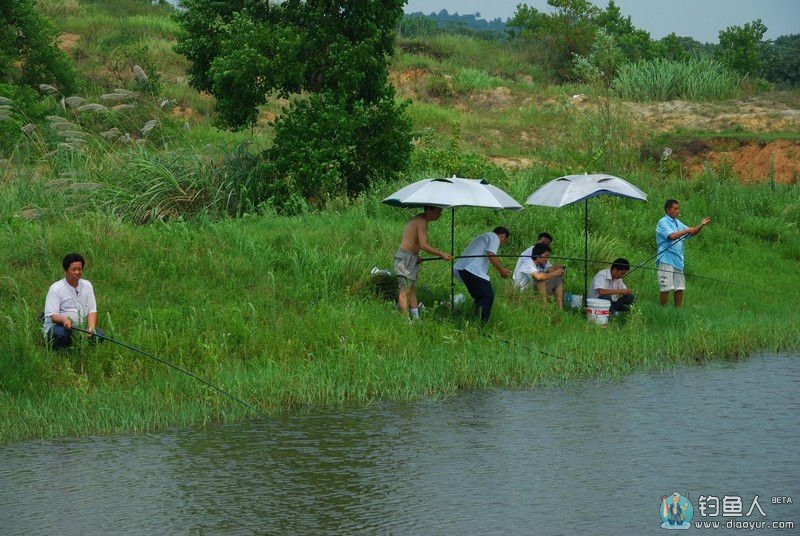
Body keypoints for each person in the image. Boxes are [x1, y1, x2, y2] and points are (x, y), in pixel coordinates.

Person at [394, 206, 452, 319]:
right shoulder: (421, 221)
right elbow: (424, 245)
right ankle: (405, 321)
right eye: (438, 211)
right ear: (429, 210)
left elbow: (414, 242)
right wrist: (441, 254)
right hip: (405, 258)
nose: (440, 214)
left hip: (412, 257)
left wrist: (416, 256)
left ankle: (416, 319)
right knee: (404, 290)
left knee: (412, 290)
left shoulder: (422, 221)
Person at [656, 199, 711, 307]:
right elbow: (672, 236)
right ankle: (663, 310)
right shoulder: (663, 222)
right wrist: (687, 230)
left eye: (678, 209)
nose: (677, 211)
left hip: (678, 260)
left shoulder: (677, 223)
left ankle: (678, 311)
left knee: (679, 287)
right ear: (668, 210)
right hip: (666, 259)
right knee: (666, 287)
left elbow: (692, 232)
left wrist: (701, 224)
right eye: (675, 209)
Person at [43, 253, 104, 349]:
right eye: (73, 269)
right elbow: (53, 316)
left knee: (99, 335)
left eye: (79, 269)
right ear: (66, 270)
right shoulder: (55, 288)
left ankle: (79, 345)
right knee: (61, 334)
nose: (77, 272)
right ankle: (62, 351)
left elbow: (92, 310)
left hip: (81, 328)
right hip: (60, 327)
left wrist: (91, 327)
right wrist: (65, 320)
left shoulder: (87, 285)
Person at [453, 226, 511, 323]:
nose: (502, 244)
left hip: (464, 269)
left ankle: (474, 321)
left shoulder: (485, 237)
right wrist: (502, 270)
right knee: (487, 296)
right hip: (471, 269)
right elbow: (491, 255)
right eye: (504, 242)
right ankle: (480, 324)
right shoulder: (494, 237)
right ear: (503, 236)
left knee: (481, 296)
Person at [512, 243, 565, 308]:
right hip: (521, 293)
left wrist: (556, 269)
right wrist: (555, 273)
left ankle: (560, 308)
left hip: (531, 290)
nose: (547, 259)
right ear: (537, 256)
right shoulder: (528, 264)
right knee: (541, 280)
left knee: (557, 278)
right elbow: (539, 277)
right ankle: (545, 308)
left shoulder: (540, 264)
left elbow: (549, 271)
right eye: (546, 256)